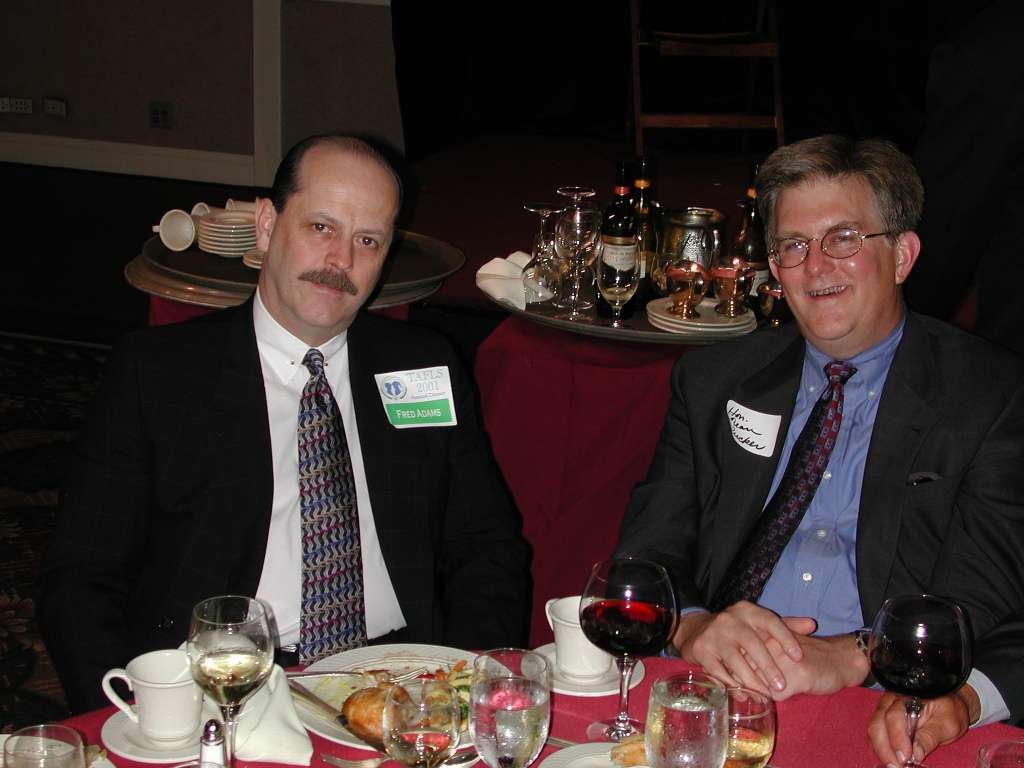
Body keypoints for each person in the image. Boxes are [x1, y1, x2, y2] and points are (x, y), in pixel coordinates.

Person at [38, 135, 531, 714]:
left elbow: (486, 545)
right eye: (321, 227)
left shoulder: (422, 365)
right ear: (268, 225)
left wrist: (466, 684)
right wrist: (137, 714)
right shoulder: (159, 374)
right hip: (228, 687)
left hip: (408, 682)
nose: (341, 261)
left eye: (367, 240)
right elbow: (80, 577)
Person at [615, 135, 1024, 764]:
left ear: (902, 256)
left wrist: (860, 654)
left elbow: (987, 592)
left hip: (877, 707)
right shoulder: (715, 380)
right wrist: (693, 625)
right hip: (716, 695)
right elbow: (649, 551)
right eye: (793, 245)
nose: (815, 267)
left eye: (843, 239)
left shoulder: (989, 395)